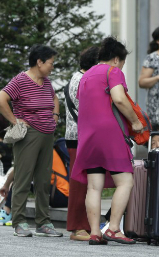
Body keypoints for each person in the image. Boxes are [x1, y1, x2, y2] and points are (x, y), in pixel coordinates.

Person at [71, 37, 143, 245]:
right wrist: (135, 122)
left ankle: (94, 232)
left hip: (87, 135)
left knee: (94, 186)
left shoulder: (85, 76)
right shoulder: (113, 71)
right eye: (122, 62)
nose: (122, 66)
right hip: (109, 133)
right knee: (126, 181)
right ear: (116, 59)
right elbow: (119, 98)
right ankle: (113, 228)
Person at [0, 44, 63, 237]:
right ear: (39, 62)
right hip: (28, 134)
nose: (52, 67)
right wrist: (15, 121)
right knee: (23, 178)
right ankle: (18, 221)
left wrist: (56, 116)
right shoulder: (20, 80)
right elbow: (0, 98)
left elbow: (55, 99)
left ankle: (43, 222)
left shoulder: (46, 82)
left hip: (47, 134)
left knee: (43, 180)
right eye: (51, 63)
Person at [65, 46, 99, 241]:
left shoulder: (78, 77)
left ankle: (84, 225)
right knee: (80, 182)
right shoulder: (82, 80)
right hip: (80, 137)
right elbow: (89, 109)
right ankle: (78, 227)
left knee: (87, 182)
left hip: (81, 136)